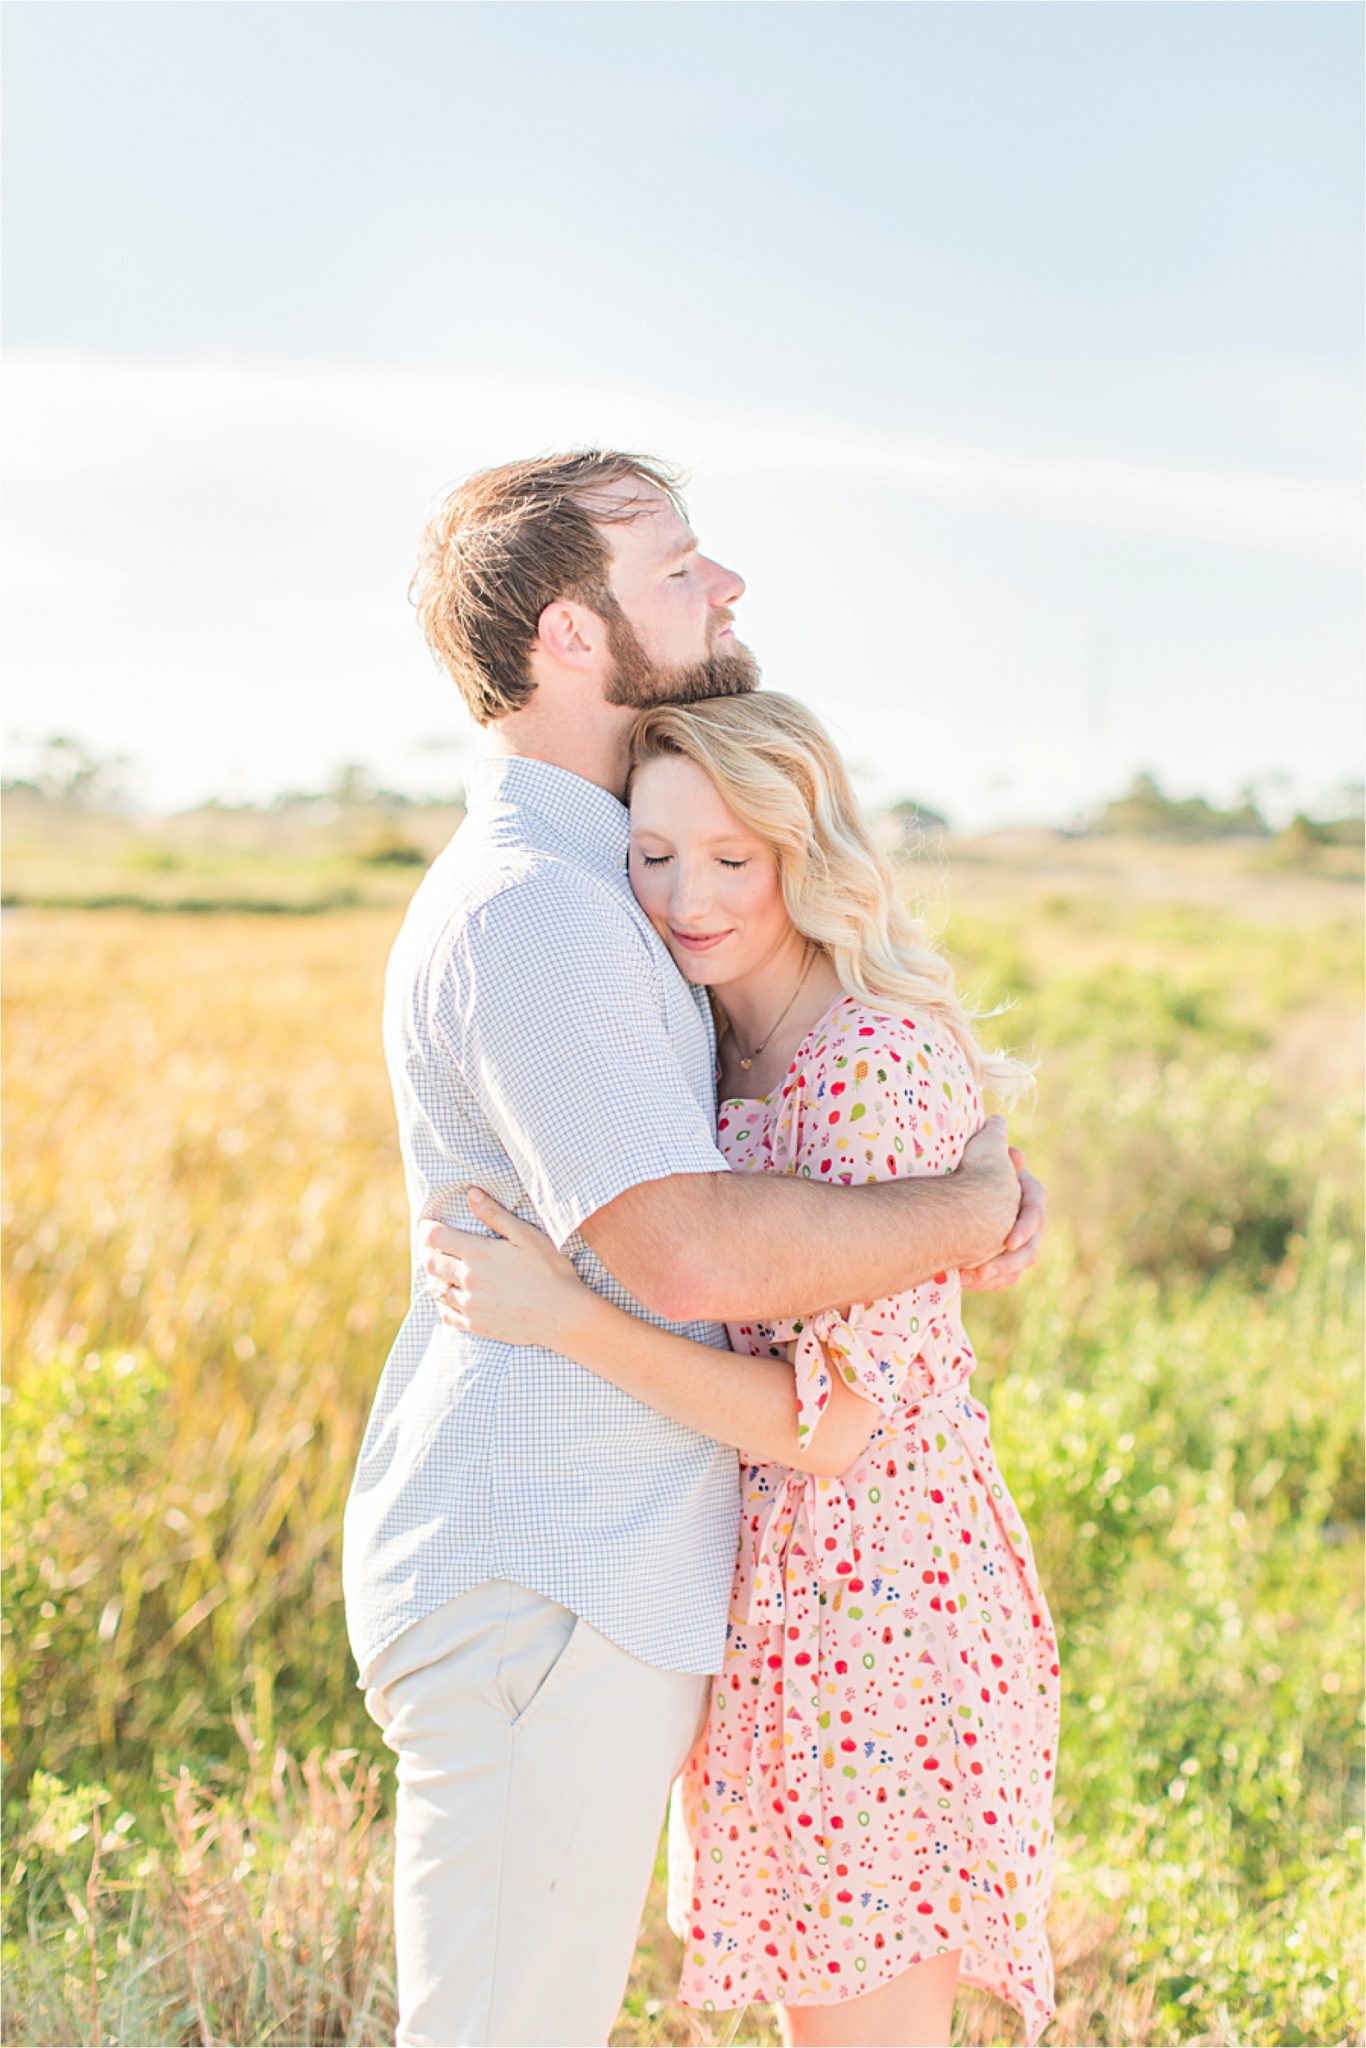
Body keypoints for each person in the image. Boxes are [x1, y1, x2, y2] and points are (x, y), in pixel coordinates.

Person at [340, 449, 1047, 2048]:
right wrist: (956, 1213)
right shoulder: (543, 904)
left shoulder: (614, 884)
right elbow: (696, 1259)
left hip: (633, 1573)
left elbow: (811, 1127)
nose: (722, 588)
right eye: (676, 567)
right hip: (545, 1564)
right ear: (571, 639)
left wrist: (951, 1171)